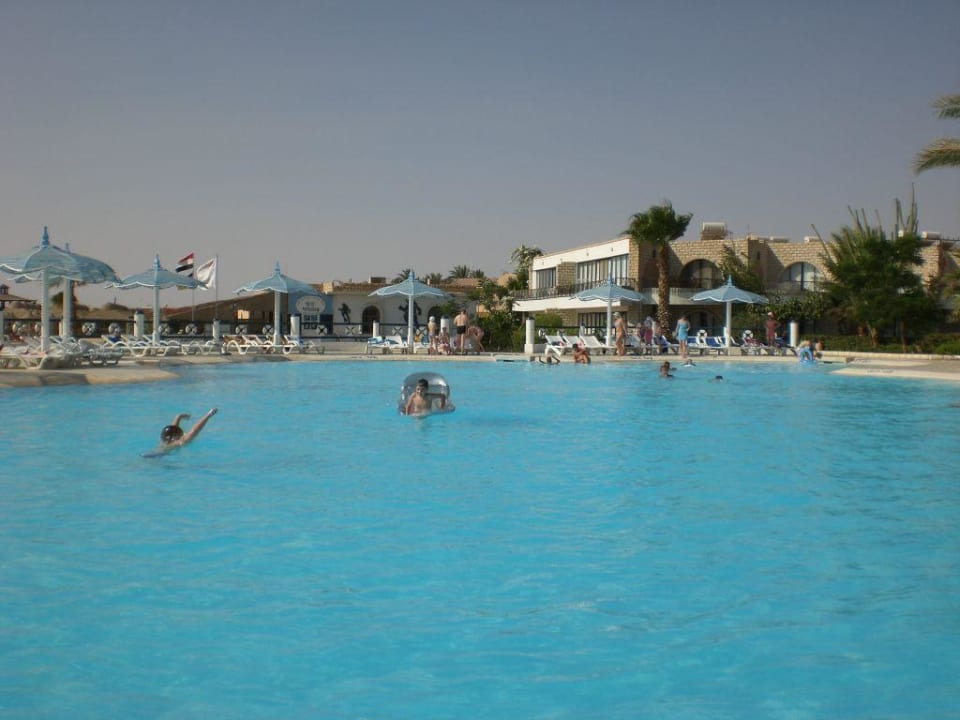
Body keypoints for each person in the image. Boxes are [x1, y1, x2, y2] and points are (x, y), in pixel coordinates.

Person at [147, 408, 218, 456]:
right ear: (177, 437)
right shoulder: (178, 443)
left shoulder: (165, 441)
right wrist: (208, 415)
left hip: (151, 455)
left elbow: (172, 430)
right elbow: (193, 431)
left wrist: (178, 417)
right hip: (157, 457)